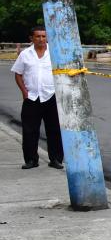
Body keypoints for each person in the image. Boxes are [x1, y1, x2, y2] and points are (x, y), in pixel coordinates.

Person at [10, 25, 63, 170]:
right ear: (31, 38)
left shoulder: (54, 53)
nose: (41, 39)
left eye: (43, 36)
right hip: (32, 98)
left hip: (51, 96)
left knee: (54, 130)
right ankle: (31, 160)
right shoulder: (25, 54)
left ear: (47, 38)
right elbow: (18, 74)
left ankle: (56, 159)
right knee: (29, 131)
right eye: (38, 36)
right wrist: (24, 92)